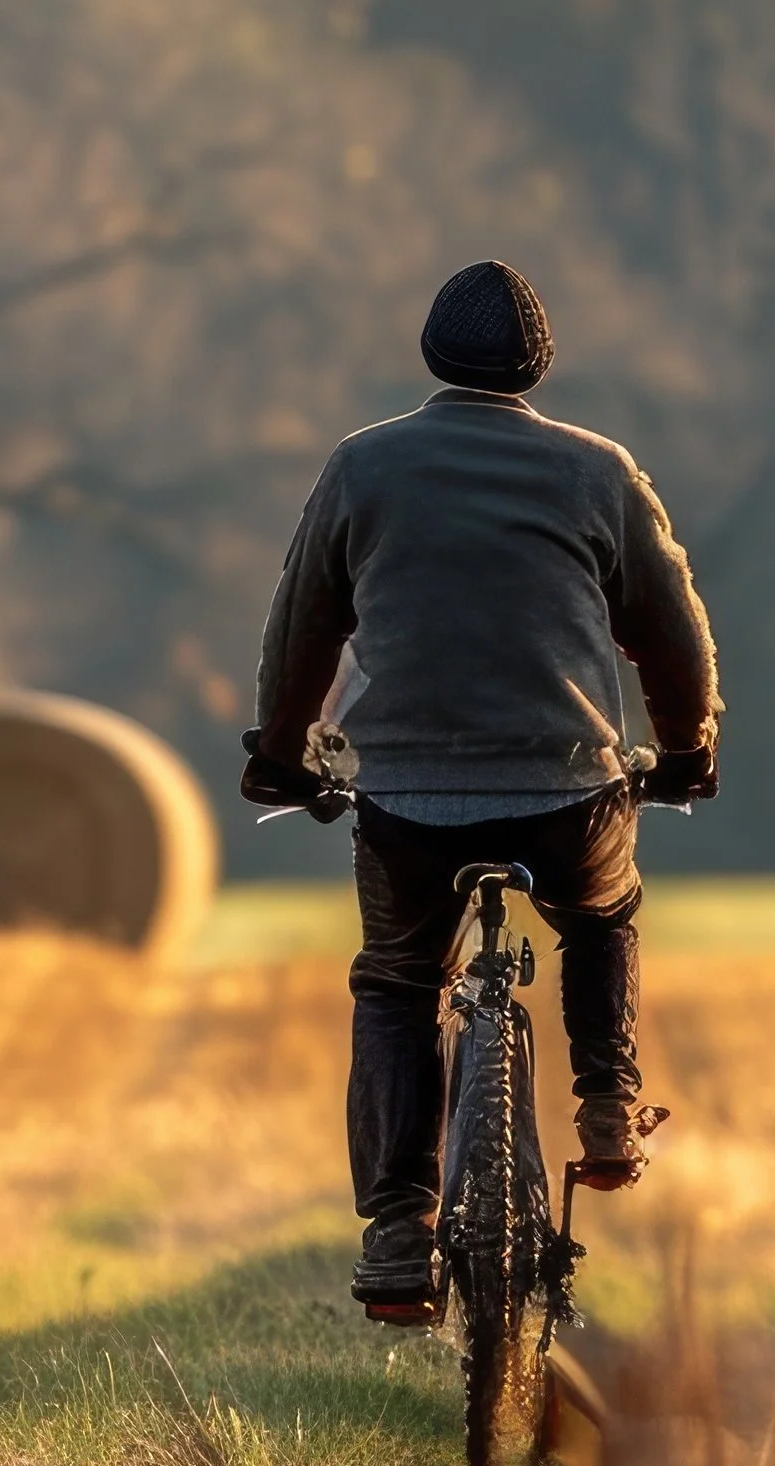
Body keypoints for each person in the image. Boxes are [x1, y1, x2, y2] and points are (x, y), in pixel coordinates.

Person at [244, 260, 721, 1322]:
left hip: (407, 793)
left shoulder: (361, 466)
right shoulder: (598, 470)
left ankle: (398, 1231)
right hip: (568, 787)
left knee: (399, 983)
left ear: (432, 357)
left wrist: (280, 749)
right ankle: (605, 1106)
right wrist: (687, 746)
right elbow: (670, 629)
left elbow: (302, 624)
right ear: (536, 368)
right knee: (599, 916)